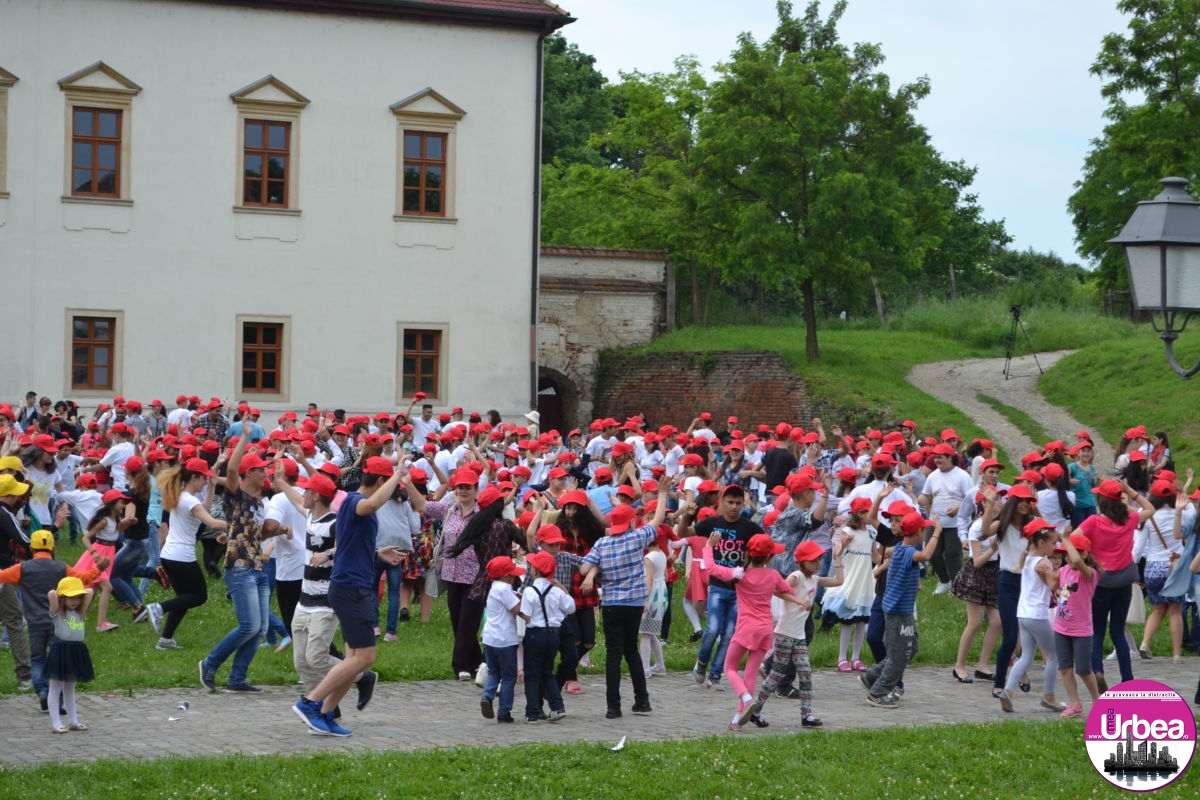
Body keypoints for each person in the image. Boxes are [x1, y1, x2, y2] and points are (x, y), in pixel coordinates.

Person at [292, 457, 407, 736]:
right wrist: (398, 474)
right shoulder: (357, 501)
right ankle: (310, 703)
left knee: (353, 659)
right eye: (389, 485)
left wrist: (377, 553)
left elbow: (348, 545)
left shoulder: (348, 503)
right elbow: (373, 504)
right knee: (365, 658)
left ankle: (325, 714)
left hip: (348, 586)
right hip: (352, 588)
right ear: (380, 481)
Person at [199, 435, 287, 693]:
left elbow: (257, 534)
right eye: (260, 470)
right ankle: (210, 663)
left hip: (257, 567)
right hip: (239, 568)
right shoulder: (236, 495)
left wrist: (280, 530)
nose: (264, 473)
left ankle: (237, 679)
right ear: (249, 473)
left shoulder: (259, 502)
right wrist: (245, 437)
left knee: (259, 629)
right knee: (249, 626)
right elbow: (232, 470)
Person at [579, 475, 671, 719]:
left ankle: (613, 707)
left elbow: (583, 569)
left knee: (613, 655)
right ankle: (642, 700)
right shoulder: (636, 538)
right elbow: (658, 519)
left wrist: (595, 570)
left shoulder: (602, 544)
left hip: (611, 604)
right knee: (631, 651)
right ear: (631, 523)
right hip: (635, 604)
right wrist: (662, 493)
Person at [702, 531, 804, 730]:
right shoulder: (773, 575)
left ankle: (747, 699)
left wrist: (708, 547)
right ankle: (737, 720)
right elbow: (788, 590)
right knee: (750, 674)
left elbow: (711, 568)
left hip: (745, 629)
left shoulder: (740, 575)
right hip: (765, 630)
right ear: (769, 558)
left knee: (729, 668)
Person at [0, 530, 103, 712]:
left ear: (32, 549)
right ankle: (59, 701)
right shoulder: (61, 568)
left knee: (38, 659)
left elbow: (2, 576)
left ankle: (42, 691)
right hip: (58, 624)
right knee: (59, 662)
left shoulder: (22, 568)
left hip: (35, 624)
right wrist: (99, 568)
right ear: (53, 548)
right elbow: (83, 579)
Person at [751, 539, 844, 728]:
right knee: (777, 674)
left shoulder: (814, 579)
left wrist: (838, 559)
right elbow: (777, 589)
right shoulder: (797, 576)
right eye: (813, 560)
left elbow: (839, 581)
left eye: (819, 560)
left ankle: (806, 715)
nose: (818, 564)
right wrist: (798, 601)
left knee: (805, 673)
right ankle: (755, 709)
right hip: (785, 634)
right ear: (802, 562)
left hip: (799, 636)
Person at [1077, 478, 1153, 692]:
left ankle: (1097, 670)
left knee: (1097, 630)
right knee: (1118, 631)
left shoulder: (1093, 522)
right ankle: (1127, 679)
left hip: (1101, 582)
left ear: (1101, 500)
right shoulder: (1129, 519)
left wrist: (1088, 556)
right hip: (1124, 581)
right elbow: (1150, 509)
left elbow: (1074, 539)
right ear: (1120, 500)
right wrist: (1131, 492)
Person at [861, 512, 941, 709]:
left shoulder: (899, 549)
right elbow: (926, 555)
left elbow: (897, 564)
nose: (925, 533)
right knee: (899, 656)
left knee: (911, 648)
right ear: (918, 532)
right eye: (924, 530)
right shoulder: (907, 551)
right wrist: (937, 532)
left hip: (902, 610)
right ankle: (877, 693)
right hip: (898, 611)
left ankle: (871, 676)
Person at [149, 458, 227, 649]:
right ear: (194, 478)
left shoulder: (181, 496)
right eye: (204, 479)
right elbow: (212, 523)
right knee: (199, 596)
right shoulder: (190, 500)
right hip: (181, 557)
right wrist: (239, 524)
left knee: (183, 599)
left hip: (170, 555)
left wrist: (212, 487)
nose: (205, 482)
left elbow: (204, 511)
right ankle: (159, 608)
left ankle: (166, 639)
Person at [690, 484, 762, 690]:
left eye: (738, 503)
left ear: (743, 504)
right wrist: (687, 516)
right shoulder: (712, 523)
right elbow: (684, 532)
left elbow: (762, 548)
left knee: (729, 634)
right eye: (730, 502)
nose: (733, 507)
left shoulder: (750, 528)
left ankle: (715, 675)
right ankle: (702, 662)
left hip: (739, 590)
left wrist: (750, 566)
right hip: (716, 586)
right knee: (712, 629)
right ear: (722, 502)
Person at [999, 520, 1062, 712]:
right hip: (1037, 615)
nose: (1055, 547)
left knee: (1026, 655)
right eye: (1053, 543)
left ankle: (1008, 691)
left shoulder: (1027, 558)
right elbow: (1053, 585)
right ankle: (1049, 696)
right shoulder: (1044, 562)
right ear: (1041, 543)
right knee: (1054, 655)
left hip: (1023, 614)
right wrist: (1062, 571)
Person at [1135, 481, 1191, 662]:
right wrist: (1184, 494)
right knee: (1175, 610)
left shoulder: (1147, 516)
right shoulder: (1180, 513)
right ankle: (1176, 654)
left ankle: (1145, 643)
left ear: (1153, 496)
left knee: (1157, 609)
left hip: (1153, 567)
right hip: (1175, 566)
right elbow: (1193, 515)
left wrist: (1132, 565)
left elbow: (1138, 547)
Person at [950, 495, 1001, 684]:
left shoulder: (998, 525)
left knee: (997, 622)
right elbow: (977, 561)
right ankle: (959, 666)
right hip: (977, 575)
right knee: (975, 623)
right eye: (996, 499)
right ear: (985, 504)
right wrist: (992, 549)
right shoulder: (977, 527)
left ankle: (982, 666)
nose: (1000, 502)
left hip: (993, 574)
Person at [821, 495, 875, 672]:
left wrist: (886, 560)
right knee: (848, 619)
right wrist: (843, 545)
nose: (873, 515)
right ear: (860, 514)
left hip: (865, 579)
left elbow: (875, 556)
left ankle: (856, 657)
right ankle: (842, 657)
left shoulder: (872, 532)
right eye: (870, 512)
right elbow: (837, 553)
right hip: (851, 578)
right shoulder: (848, 531)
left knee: (862, 619)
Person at [519, 549, 574, 723]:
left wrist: (516, 610)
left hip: (535, 635)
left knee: (532, 674)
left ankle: (532, 713)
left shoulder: (529, 591)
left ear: (535, 570)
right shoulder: (556, 591)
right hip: (553, 635)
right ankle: (557, 707)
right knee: (547, 672)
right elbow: (570, 607)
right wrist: (562, 588)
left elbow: (526, 614)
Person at [1055, 532, 1101, 719]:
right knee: (1065, 668)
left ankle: (1097, 701)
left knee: (1083, 669)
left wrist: (1066, 539)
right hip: (1061, 627)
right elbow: (1055, 586)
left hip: (1081, 630)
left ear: (1084, 554)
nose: (1067, 557)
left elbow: (1076, 561)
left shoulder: (1090, 574)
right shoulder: (1064, 571)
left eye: (1070, 552)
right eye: (1064, 554)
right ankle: (1075, 704)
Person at [917, 443, 974, 593]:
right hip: (935, 521)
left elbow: (971, 499)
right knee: (932, 553)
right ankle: (944, 581)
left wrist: (957, 508)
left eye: (940, 457)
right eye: (935, 457)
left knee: (953, 554)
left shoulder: (963, 476)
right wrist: (917, 499)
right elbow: (927, 496)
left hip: (956, 523)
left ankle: (957, 586)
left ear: (950, 458)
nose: (936, 460)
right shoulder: (933, 476)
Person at [77, 488, 134, 632]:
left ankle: (78, 619)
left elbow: (118, 530)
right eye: (121, 503)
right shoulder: (104, 521)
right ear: (112, 504)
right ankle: (101, 623)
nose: (123, 506)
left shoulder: (115, 521)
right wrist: (94, 553)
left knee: (93, 588)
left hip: (109, 554)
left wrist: (130, 522)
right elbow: (85, 538)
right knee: (107, 587)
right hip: (99, 555)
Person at [479, 555, 526, 723]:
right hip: (505, 640)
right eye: (512, 574)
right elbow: (517, 609)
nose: (514, 577)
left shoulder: (494, 587)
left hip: (489, 639)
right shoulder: (504, 589)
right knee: (508, 677)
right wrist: (529, 614)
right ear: (506, 576)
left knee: (494, 672)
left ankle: (487, 695)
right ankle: (504, 712)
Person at [45, 576, 95, 733]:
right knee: (56, 687)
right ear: (62, 598)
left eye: (78, 598)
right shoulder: (58, 612)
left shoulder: (81, 612)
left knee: (70, 688)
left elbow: (90, 591)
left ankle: (73, 720)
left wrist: (79, 594)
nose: (75, 601)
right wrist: (61, 594)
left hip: (76, 650)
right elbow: (52, 593)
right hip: (62, 650)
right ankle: (56, 723)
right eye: (71, 598)